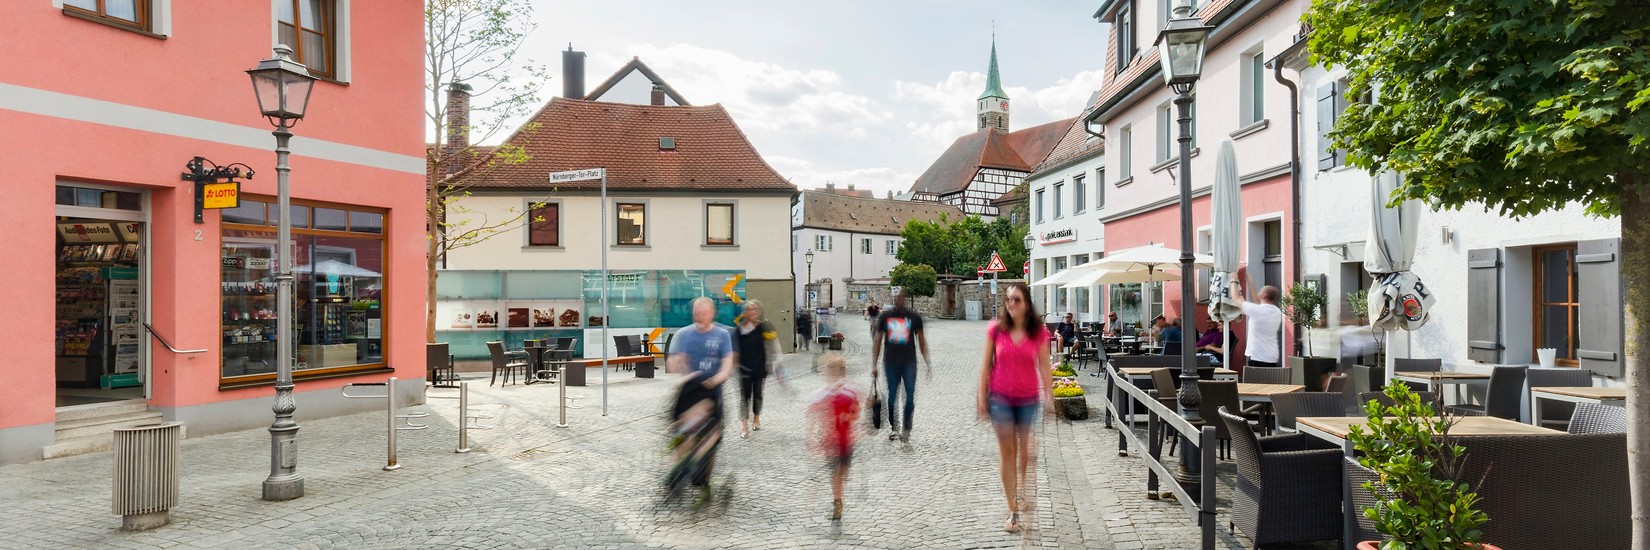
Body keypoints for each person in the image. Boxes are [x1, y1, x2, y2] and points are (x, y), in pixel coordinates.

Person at [976, 283, 1055, 534]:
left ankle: (1021, 490)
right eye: (1008, 299)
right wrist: (981, 397)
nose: (1011, 303)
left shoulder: (1038, 333)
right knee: (1007, 450)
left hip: (1028, 398)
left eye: (1017, 299)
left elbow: (1044, 365)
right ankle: (1013, 511)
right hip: (1000, 397)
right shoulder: (996, 329)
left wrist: (1050, 394)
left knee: (1025, 450)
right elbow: (985, 365)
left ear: (1027, 303)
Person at [666, 297, 737, 495]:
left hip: (712, 391)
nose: (700, 317)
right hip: (689, 390)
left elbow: (727, 363)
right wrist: (678, 364)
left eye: (704, 313)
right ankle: (678, 471)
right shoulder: (683, 334)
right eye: (696, 314)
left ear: (712, 313)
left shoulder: (722, 335)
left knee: (711, 436)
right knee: (683, 433)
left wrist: (719, 377)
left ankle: (703, 480)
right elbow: (672, 363)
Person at [871, 290, 931, 443]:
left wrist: (927, 362)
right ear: (893, 298)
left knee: (909, 396)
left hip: (909, 362)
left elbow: (922, 340)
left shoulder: (914, 317)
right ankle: (894, 427)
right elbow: (877, 340)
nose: (899, 300)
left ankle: (906, 426)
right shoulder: (885, 317)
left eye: (901, 297)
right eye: (896, 297)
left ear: (905, 299)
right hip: (890, 362)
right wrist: (874, 364)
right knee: (892, 396)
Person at [806, 354, 860, 522]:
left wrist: (846, 417)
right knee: (835, 473)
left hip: (846, 440)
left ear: (836, 373)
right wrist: (810, 437)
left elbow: (856, 413)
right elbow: (812, 416)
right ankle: (838, 502)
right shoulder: (821, 395)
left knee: (842, 472)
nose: (824, 375)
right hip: (830, 442)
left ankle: (839, 491)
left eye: (826, 372)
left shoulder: (849, 393)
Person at [734, 300, 780, 438]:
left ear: (759, 311)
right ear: (745, 312)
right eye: (749, 309)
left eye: (755, 309)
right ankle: (744, 426)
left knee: (758, 394)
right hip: (743, 368)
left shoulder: (764, 327)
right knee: (744, 397)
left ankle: (756, 418)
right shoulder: (740, 329)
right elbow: (735, 349)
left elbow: (774, 343)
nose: (752, 312)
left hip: (760, 367)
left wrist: (776, 361)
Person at [1235, 278, 1285, 370]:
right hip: (1272, 356)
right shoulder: (1276, 311)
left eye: (1260, 291)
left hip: (1257, 356)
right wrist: (1250, 282)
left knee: (1255, 380)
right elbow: (1257, 302)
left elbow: (1236, 299)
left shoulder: (1257, 310)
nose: (1258, 292)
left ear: (1264, 295)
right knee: (1269, 379)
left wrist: (1233, 280)